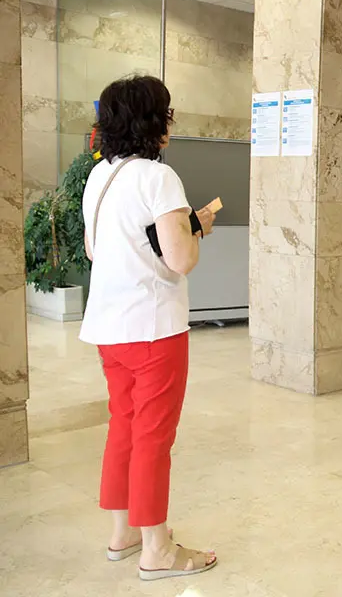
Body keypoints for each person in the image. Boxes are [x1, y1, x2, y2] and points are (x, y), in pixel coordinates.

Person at [80, 76, 218, 581]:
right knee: (153, 438)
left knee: (124, 426)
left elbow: (97, 250)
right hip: (154, 329)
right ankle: (157, 550)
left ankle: (123, 535)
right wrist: (195, 231)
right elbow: (180, 259)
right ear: (154, 122)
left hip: (109, 327)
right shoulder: (159, 178)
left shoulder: (101, 177)